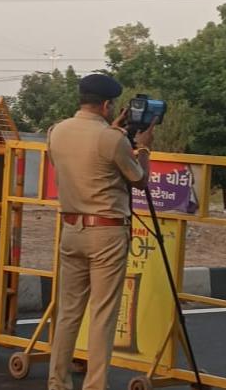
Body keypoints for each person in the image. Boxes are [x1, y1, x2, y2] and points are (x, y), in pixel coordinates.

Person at [47, 73, 155, 390]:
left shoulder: (56, 131)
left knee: (68, 313)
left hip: (71, 229)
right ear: (107, 105)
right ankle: (95, 386)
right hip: (106, 233)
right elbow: (139, 180)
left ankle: (58, 382)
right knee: (102, 314)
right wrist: (144, 148)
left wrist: (114, 131)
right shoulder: (111, 138)